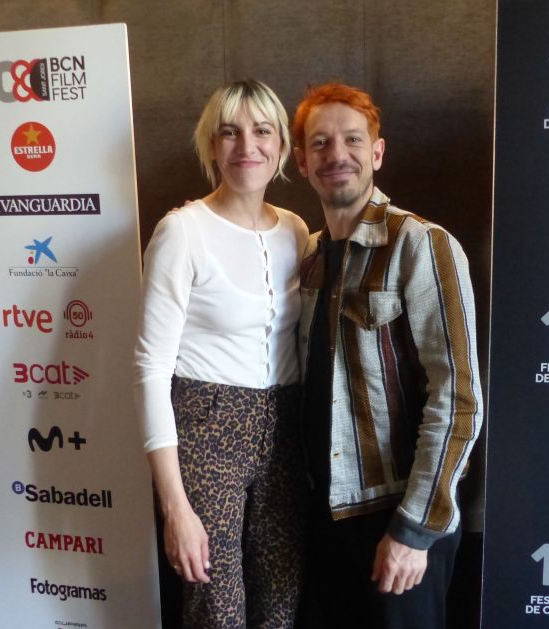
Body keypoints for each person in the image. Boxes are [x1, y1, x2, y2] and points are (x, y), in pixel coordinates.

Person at [292, 82, 483, 629]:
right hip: (326, 516)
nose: (337, 154)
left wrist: (414, 529)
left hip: (396, 515)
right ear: (302, 162)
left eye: (353, 139)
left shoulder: (421, 244)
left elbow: (459, 399)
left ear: (377, 153)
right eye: (320, 142)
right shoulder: (308, 257)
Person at [133, 79, 309, 629]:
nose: (246, 146)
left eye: (262, 131)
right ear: (212, 145)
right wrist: (175, 508)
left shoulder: (296, 231)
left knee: (280, 600)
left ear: (281, 146)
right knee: (218, 608)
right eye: (229, 132)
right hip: (206, 428)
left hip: (285, 430)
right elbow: (150, 369)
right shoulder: (182, 232)